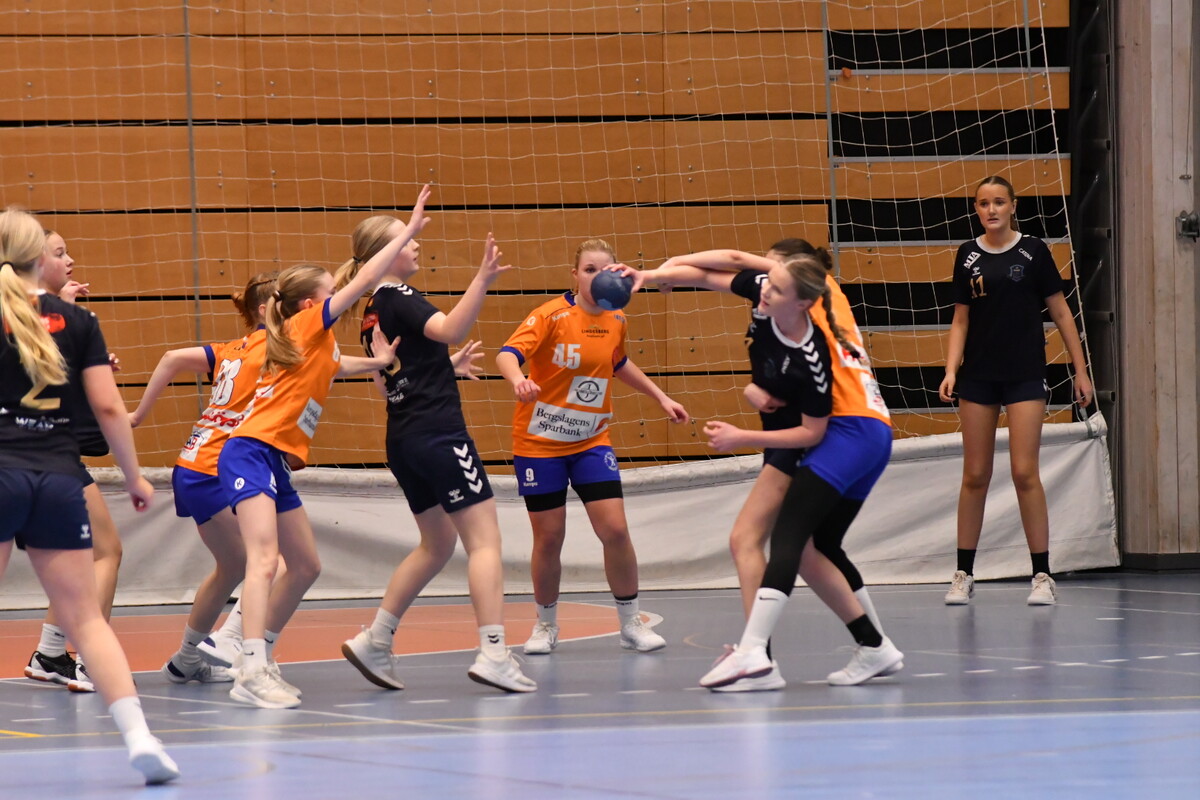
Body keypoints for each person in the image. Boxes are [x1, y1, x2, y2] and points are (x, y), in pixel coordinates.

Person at [631, 240, 898, 690]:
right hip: (864, 429)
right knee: (818, 549)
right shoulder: (781, 307)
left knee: (781, 539)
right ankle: (873, 645)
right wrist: (659, 274)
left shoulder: (814, 302)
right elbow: (714, 276)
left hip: (845, 429)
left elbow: (734, 260)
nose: (765, 286)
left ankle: (756, 654)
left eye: (774, 278)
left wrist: (659, 269)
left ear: (797, 281)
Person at [213, 185, 430, 708]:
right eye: (331, 291)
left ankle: (261, 653)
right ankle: (248, 669)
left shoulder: (315, 343)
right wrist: (407, 229)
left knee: (306, 564)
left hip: (271, 459)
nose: (340, 292)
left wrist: (380, 363)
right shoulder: (307, 322)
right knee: (263, 560)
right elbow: (366, 280)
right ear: (312, 303)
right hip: (249, 451)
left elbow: (338, 365)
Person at [0, 207, 178, 784]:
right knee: (86, 620)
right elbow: (107, 406)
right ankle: (140, 737)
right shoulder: (77, 320)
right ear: (37, 256)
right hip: (57, 477)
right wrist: (134, 476)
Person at [335, 219, 536, 694]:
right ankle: (494, 653)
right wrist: (482, 279)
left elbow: (388, 381)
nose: (416, 244)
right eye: (406, 239)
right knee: (484, 542)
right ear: (386, 252)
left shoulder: (371, 309)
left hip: (404, 437)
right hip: (439, 434)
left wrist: (444, 368)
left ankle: (375, 639)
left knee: (437, 544)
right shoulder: (399, 294)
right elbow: (450, 328)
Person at [495, 238, 689, 656]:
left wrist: (660, 397)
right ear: (575, 275)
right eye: (589, 269)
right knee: (549, 538)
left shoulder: (617, 317)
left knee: (615, 530)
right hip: (539, 445)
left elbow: (618, 362)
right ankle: (545, 625)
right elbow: (507, 354)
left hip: (590, 442)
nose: (598, 276)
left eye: (606, 269)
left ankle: (631, 624)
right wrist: (518, 380)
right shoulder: (551, 315)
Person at [939, 176, 1092, 606]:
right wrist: (951, 370)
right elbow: (961, 319)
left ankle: (1042, 575)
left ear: (1013, 206)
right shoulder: (967, 255)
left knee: (1025, 472)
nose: (991, 210)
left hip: (1025, 374)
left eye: (999, 202)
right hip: (978, 377)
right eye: (983, 203)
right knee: (975, 475)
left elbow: (1061, 313)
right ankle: (963, 574)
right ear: (976, 209)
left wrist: (1081, 371)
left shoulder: (1034, 251)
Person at [22, 229, 122, 694]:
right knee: (106, 552)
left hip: (37, 456)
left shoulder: (51, 318)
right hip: (38, 456)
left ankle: (50, 653)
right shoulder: (41, 318)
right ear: (34, 260)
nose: (71, 260)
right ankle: (90, 661)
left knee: (76, 559)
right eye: (60, 253)